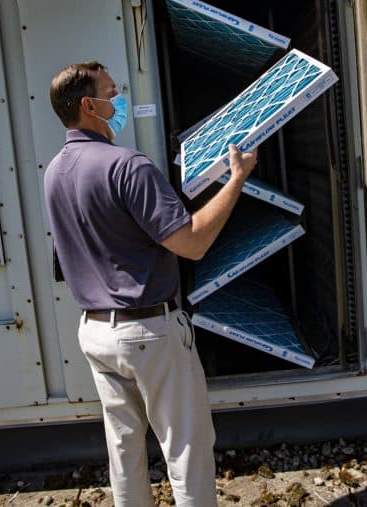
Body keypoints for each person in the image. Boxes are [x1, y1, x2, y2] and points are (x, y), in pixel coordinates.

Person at [43, 61, 257, 507]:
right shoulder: (128, 166)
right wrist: (236, 179)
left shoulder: (54, 173)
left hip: (94, 332)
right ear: (90, 105)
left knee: (123, 454)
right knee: (186, 453)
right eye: (111, 92)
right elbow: (193, 243)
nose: (118, 100)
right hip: (149, 332)